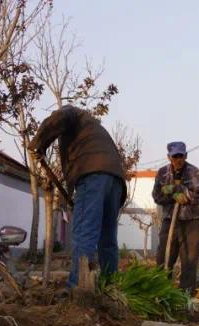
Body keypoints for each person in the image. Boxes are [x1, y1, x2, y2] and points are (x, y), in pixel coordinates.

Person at [31, 105, 127, 289]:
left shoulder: (73, 114)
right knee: (107, 237)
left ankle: (77, 287)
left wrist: (39, 142)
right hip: (116, 180)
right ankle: (110, 286)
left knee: (85, 232)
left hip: (92, 175)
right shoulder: (93, 128)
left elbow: (61, 116)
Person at [152, 141, 199, 295]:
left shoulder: (194, 172)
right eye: (175, 156)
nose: (178, 159)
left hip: (193, 221)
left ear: (186, 155)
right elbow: (157, 196)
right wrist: (173, 196)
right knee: (164, 257)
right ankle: (161, 291)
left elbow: (196, 195)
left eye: (181, 156)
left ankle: (185, 295)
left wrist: (176, 189)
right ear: (169, 157)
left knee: (189, 259)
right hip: (170, 220)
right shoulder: (162, 173)